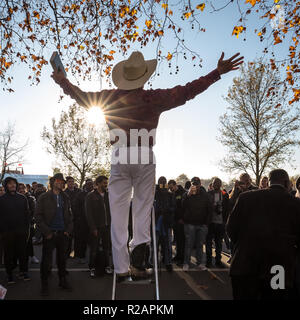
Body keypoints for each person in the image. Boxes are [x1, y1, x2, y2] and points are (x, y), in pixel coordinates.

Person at [52, 50, 243, 281]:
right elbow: (187, 91)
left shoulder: (110, 97)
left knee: (118, 212)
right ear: (143, 76)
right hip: (144, 154)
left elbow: (81, 97)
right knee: (142, 207)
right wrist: (215, 73)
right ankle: (139, 258)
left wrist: (64, 81)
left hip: (120, 155)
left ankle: (122, 267)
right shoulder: (153, 97)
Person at [226, 169, 300, 300]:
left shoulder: (246, 197)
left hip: (245, 264)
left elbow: (231, 228)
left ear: (270, 181)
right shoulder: (299, 205)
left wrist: (244, 244)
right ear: (286, 183)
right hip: (278, 267)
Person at [35, 173, 74, 296]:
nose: (62, 183)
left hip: (63, 233)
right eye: (59, 181)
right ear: (53, 182)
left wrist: (68, 230)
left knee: (62, 260)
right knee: (46, 261)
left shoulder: (66, 197)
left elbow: (70, 215)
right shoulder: (44, 197)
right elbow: (38, 216)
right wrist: (47, 232)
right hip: (50, 234)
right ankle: (44, 284)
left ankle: (62, 281)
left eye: (63, 181)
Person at [0, 177, 31, 284]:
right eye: (10, 184)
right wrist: (3, 231)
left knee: (22, 253)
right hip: (7, 232)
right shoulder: (0, 200)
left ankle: (23, 271)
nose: (12, 185)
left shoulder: (22, 198)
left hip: (21, 231)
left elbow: (27, 214)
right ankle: (9, 273)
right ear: (6, 185)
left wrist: (26, 228)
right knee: (9, 253)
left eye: (14, 183)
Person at [182, 177, 212, 271]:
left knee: (200, 245)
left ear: (200, 184)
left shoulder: (205, 195)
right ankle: (186, 263)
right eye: (193, 184)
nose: (195, 186)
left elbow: (210, 209)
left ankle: (200, 263)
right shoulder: (186, 194)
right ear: (191, 184)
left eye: (197, 184)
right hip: (190, 223)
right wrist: (188, 195)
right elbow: (182, 206)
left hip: (202, 224)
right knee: (188, 244)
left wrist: (206, 223)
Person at [85, 176, 112, 277]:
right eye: (104, 183)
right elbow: (88, 214)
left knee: (106, 248)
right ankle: (92, 267)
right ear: (98, 183)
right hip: (96, 227)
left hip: (107, 226)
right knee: (94, 249)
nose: (106, 185)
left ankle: (107, 266)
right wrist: (93, 228)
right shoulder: (90, 196)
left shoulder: (108, 195)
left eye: (106, 183)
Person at [206, 177, 229, 268]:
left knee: (219, 243)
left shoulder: (224, 194)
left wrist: (225, 221)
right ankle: (208, 261)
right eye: (215, 183)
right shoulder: (208, 194)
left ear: (221, 184)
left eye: (218, 183)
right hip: (210, 222)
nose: (217, 185)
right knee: (208, 242)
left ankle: (218, 261)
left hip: (220, 222)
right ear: (212, 184)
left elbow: (227, 209)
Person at [154, 176, 176, 272]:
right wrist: (158, 210)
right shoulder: (154, 193)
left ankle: (168, 262)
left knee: (167, 244)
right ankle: (153, 262)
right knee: (154, 243)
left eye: (164, 182)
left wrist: (167, 210)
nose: (162, 184)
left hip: (166, 222)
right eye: (160, 182)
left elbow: (174, 207)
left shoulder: (170, 194)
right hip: (156, 222)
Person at [18, 183, 39, 264]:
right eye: (19, 188)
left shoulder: (30, 198)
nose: (21, 190)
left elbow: (34, 211)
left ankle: (32, 256)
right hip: (18, 224)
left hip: (28, 223)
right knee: (20, 243)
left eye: (23, 188)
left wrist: (31, 220)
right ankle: (21, 258)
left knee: (29, 241)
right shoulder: (15, 198)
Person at [74, 178, 94, 264]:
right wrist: (79, 217)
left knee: (93, 242)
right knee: (82, 241)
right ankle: (81, 256)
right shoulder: (80, 195)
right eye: (88, 184)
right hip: (83, 221)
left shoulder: (96, 194)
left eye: (91, 184)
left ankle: (93, 259)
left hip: (93, 222)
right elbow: (76, 207)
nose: (90, 186)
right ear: (85, 185)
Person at [168, 179, 186, 266]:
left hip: (181, 221)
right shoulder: (173, 194)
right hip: (175, 221)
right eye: (169, 188)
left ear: (175, 185)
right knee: (177, 240)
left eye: (171, 187)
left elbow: (185, 207)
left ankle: (182, 258)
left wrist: (182, 218)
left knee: (182, 241)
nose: (170, 189)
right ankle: (178, 256)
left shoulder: (183, 193)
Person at [64, 176, 81, 259]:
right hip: (69, 218)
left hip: (78, 217)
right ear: (67, 183)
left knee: (78, 237)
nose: (71, 183)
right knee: (68, 237)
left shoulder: (79, 191)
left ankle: (77, 253)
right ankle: (68, 253)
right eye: (69, 182)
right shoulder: (64, 193)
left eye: (72, 181)